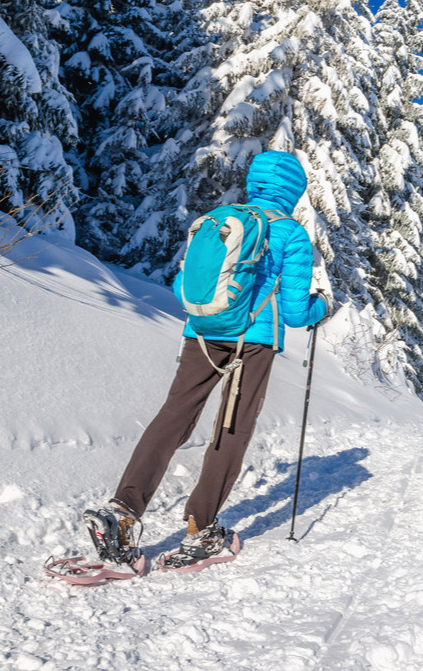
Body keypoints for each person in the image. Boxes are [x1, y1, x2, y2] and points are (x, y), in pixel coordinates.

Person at [85, 150, 329, 571]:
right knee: (230, 429)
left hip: (200, 332)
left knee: (173, 417)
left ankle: (123, 512)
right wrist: (319, 308)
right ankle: (201, 528)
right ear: (294, 191)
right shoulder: (291, 234)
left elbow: (184, 283)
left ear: (254, 181)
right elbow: (293, 313)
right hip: (252, 342)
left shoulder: (219, 219)